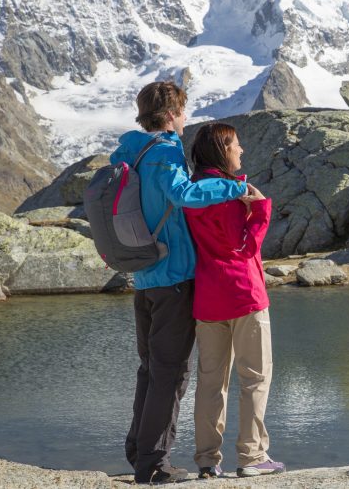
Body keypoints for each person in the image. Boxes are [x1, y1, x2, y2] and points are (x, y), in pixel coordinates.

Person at [113, 81, 249, 484]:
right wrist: (234, 186)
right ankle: (154, 464)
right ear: (172, 113)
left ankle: (139, 452)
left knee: (151, 369)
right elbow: (183, 194)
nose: (185, 119)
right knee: (170, 374)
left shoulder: (130, 150)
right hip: (173, 277)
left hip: (144, 277)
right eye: (183, 111)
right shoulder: (166, 149)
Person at [183, 122, 285, 479]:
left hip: (208, 299)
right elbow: (242, 247)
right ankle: (252, 456)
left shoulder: (190, 193)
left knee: (211, 382)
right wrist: (261, 210)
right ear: (222, 149)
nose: (241, 151)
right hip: (243, 294)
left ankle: (207, 461)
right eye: (236, 145)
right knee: (255, 378)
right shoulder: (231, 194)